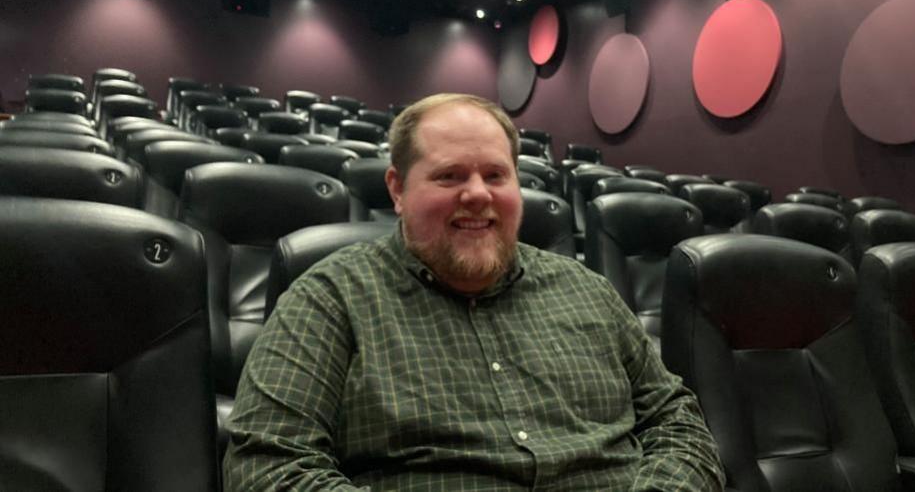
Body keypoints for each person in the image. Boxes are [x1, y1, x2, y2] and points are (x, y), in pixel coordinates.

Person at [224, 93, 725, 491]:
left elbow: (675, 418)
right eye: (450, 175)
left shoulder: (587, 289)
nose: (478, 194)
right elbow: (269, 465)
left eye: (495, 175)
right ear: (397, 189)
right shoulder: (328, 299)